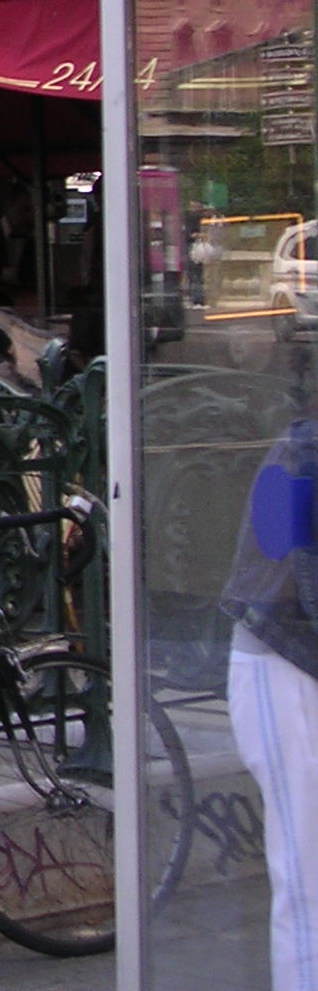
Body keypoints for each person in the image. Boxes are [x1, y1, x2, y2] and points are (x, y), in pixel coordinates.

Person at [224, 406, 318, 991]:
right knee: (307, 878)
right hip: (285, 665)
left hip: (292, 657)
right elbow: (307, 580)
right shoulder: (305, 447)